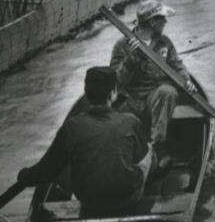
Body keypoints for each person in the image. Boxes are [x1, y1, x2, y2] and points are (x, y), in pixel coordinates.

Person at [17, 66, 153, 214]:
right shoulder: (131, 121)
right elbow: (139, 156)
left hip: (88, 201)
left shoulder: (71, 127)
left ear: (87, 93)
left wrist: (24, 176)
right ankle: (153, 181)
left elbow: (46, 169)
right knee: (149, 150)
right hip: (127, 198)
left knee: (59, 163)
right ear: (113, 92)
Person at [110, 0, 196, 171]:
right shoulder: (122, 46)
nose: (165, 21)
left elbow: (176, 65)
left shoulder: (165, 42)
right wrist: (132, 59)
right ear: (153, 22)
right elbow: (115, 81)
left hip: (154, 96)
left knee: (168, 92)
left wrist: (187, 80)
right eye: (162, 18)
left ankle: (158, 148)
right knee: (110, 115)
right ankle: (122, 157)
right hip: (130, 99)